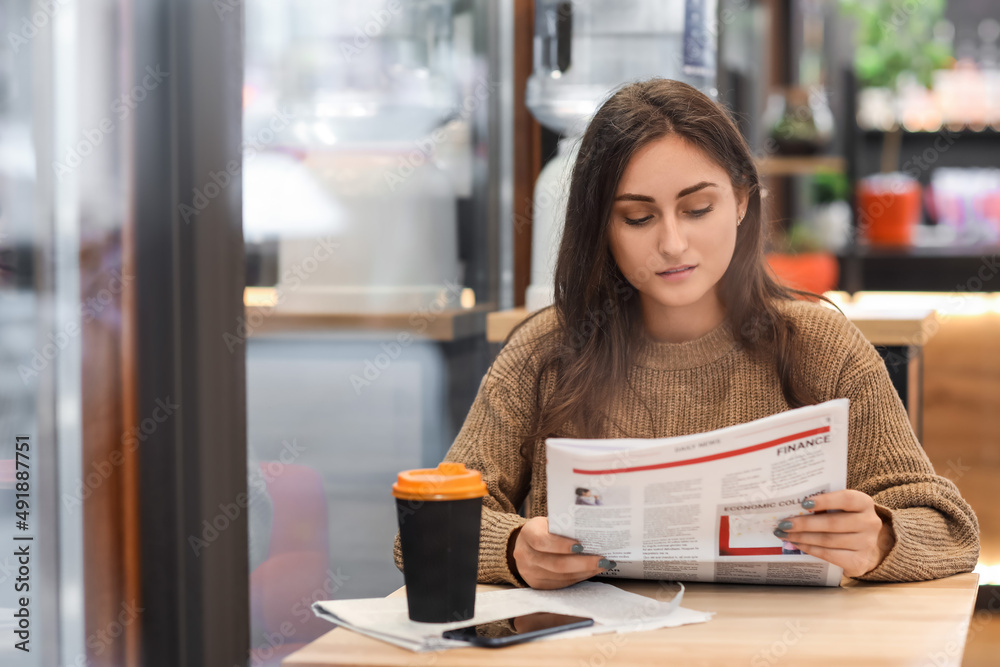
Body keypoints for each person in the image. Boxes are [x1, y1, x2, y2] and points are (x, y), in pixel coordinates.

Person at [392, 78, 979, 590]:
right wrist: (515, 551)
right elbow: (426, 530)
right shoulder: (546, 352)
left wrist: (880, 539)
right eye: (638, 217)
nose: (672, 243)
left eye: (697, 209)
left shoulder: (819, 346)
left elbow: (952, 532)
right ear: (601, 228)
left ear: (743, 200)